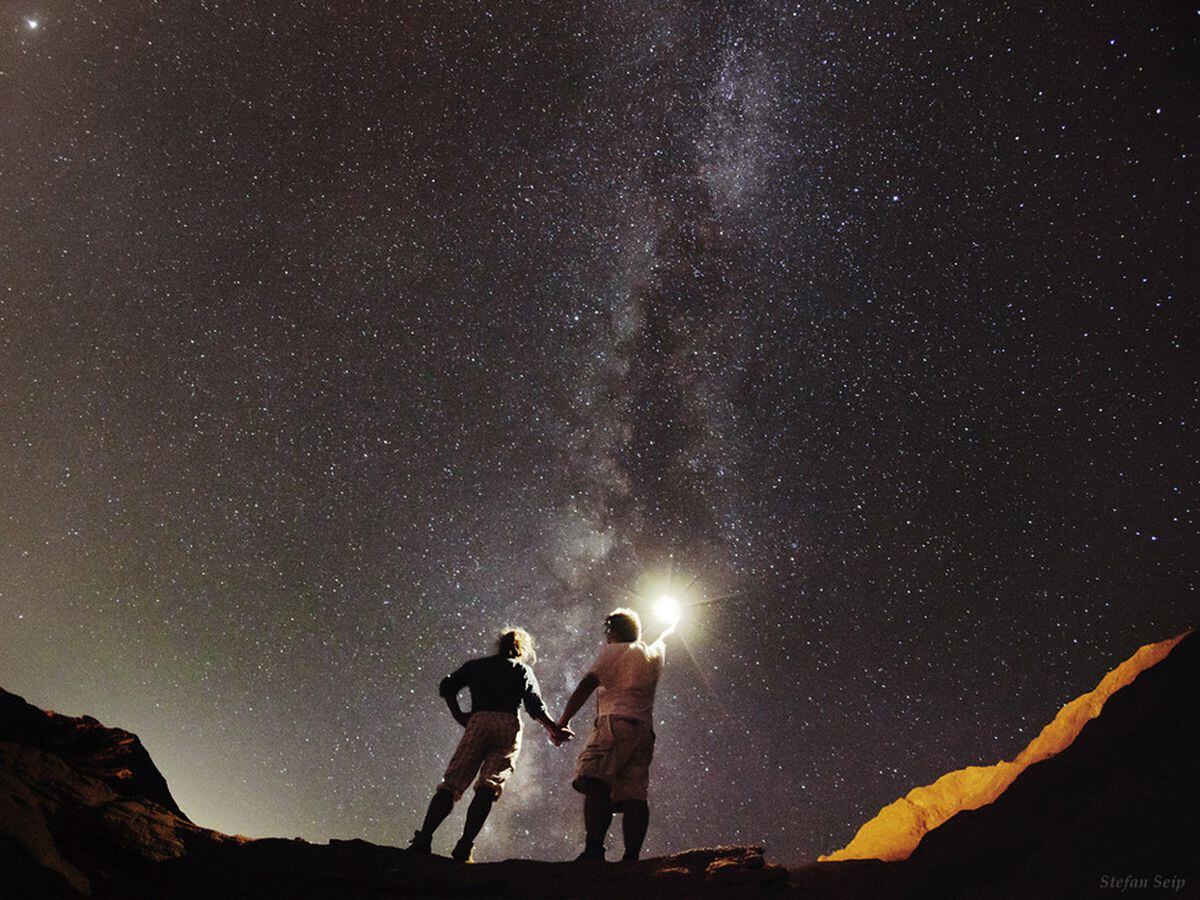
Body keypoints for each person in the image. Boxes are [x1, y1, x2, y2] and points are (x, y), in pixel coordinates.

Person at [409, 627, 573, 862]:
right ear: (521, 649)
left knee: (452, 783)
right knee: (488, 785)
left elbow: (447, 687)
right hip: (508, 724)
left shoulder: (476, 666)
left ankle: (424, 838)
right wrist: (554, 729)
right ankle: (465, 846)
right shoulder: (522, 670)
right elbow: (534, 706)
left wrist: (459, 715)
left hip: (479, 720)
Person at [557, 607, 674, 862]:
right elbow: (662, 638)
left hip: (615, 725)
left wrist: (563, 720)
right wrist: (669, 626)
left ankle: (594, 851)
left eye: (608, 631)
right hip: (643, 732)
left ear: (613, 631)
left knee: (595, 780)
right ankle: (631, 858)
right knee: (635, 794)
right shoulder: (654, 654)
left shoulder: (614, 651)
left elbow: (588, 683)